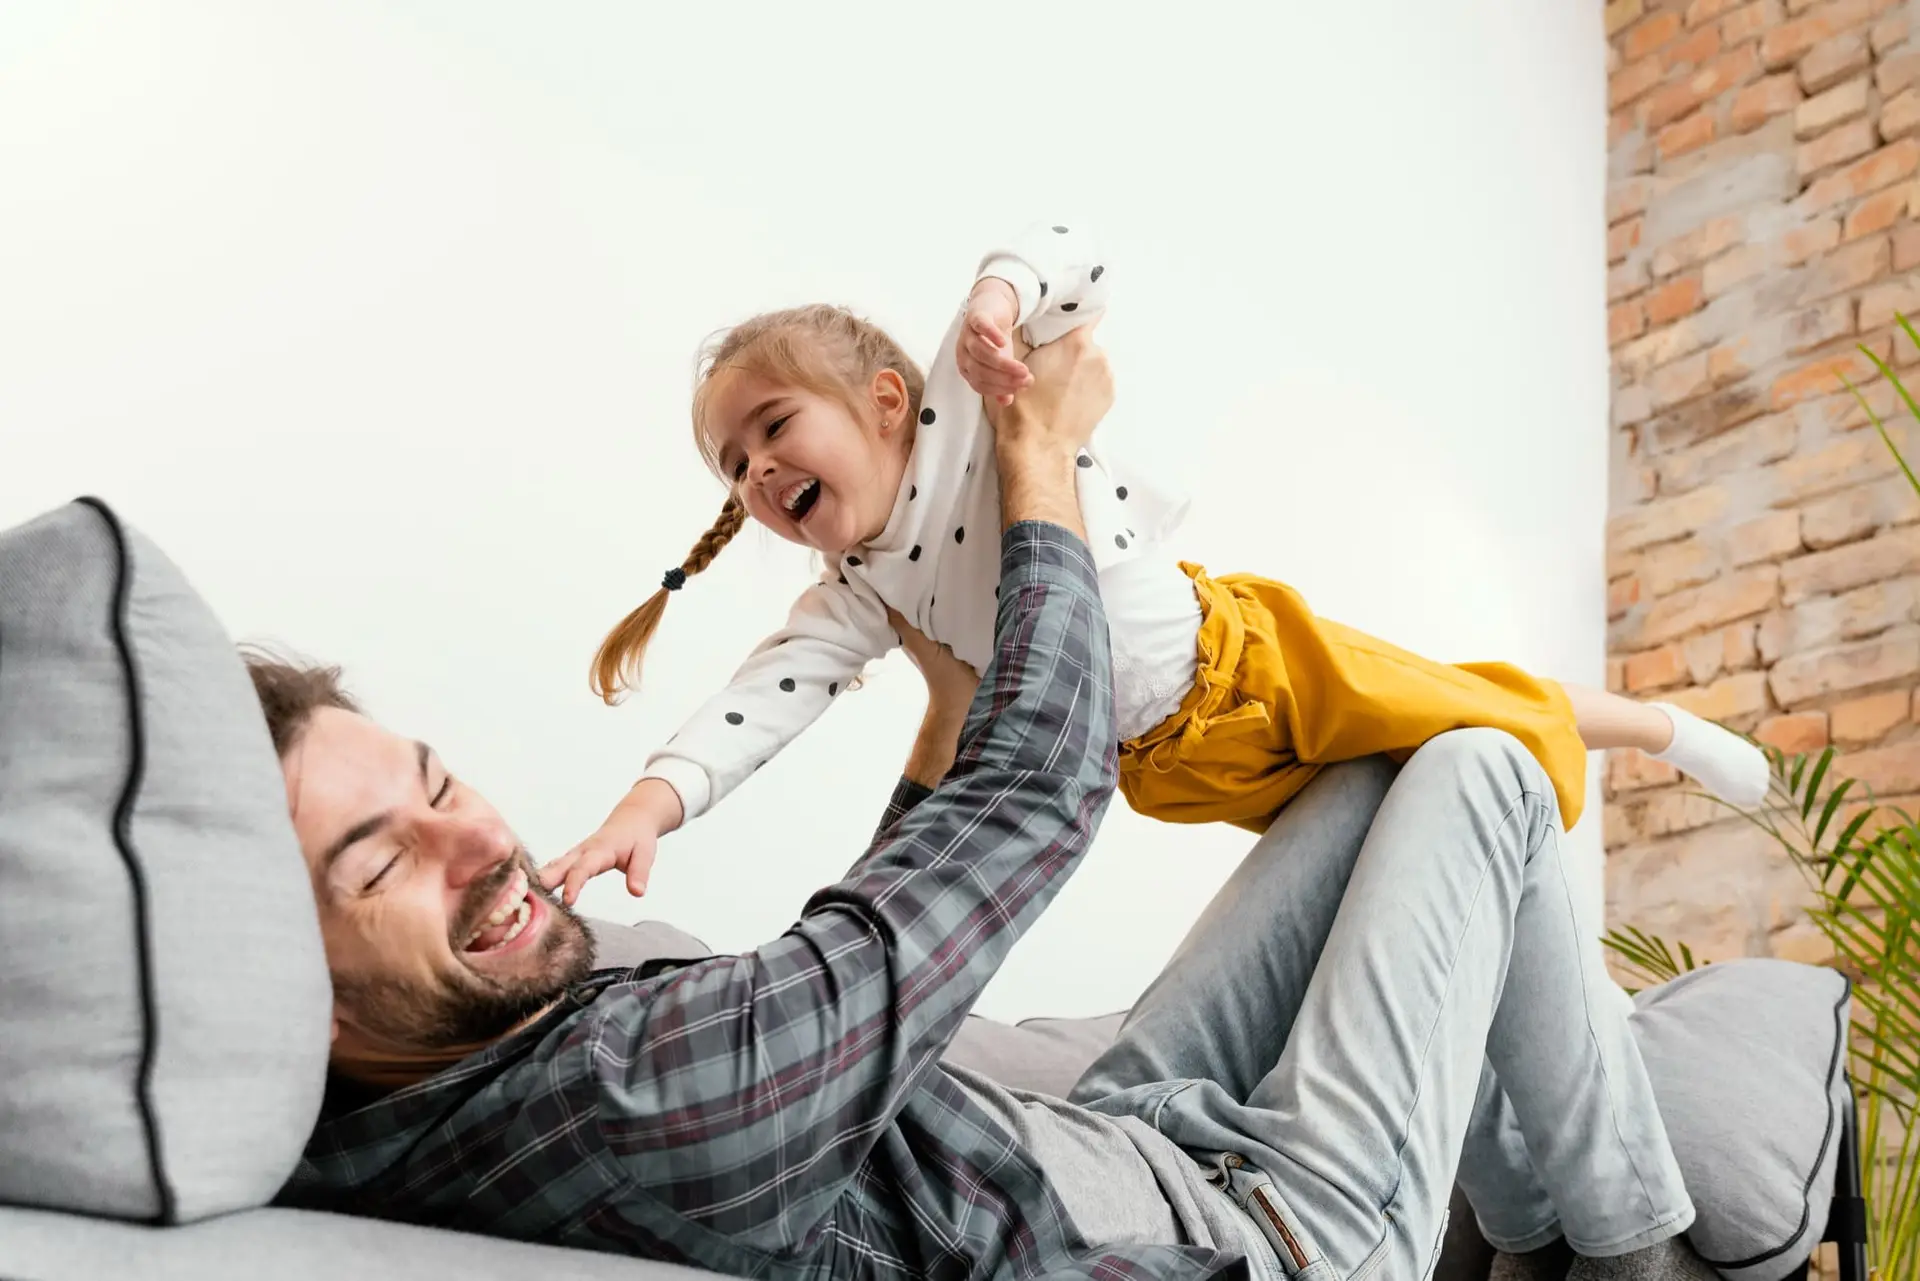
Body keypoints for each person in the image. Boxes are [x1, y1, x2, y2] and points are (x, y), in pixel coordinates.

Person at [263, 330, 1712, 1280]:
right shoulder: (619, 1102)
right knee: (1482, 765)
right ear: (287, 984)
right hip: (1259, 1234)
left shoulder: (463, 1064)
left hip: (1108, 1134)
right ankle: (1620, 1244)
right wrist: (1040, 462)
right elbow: (1035, 793)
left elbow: (848, 981)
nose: (479, 839)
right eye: (379, 860)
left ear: (888, 407)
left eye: (437, 782)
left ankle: (1539, 1218)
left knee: (1392, 760)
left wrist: (937, 713)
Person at [557, 219, 1768, 902]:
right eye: (733, 467)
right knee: (1375, 861)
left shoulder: (963, 409)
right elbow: (760, 702)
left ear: (882, 400)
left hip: (1248, 664)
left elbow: (1066, 249)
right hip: (1169, 769)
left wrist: (994, 306)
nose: (757, 471)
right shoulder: (858, 594)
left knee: (1474, 709)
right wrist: (642, 810)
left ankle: (1659, 729)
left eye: (774, 427)